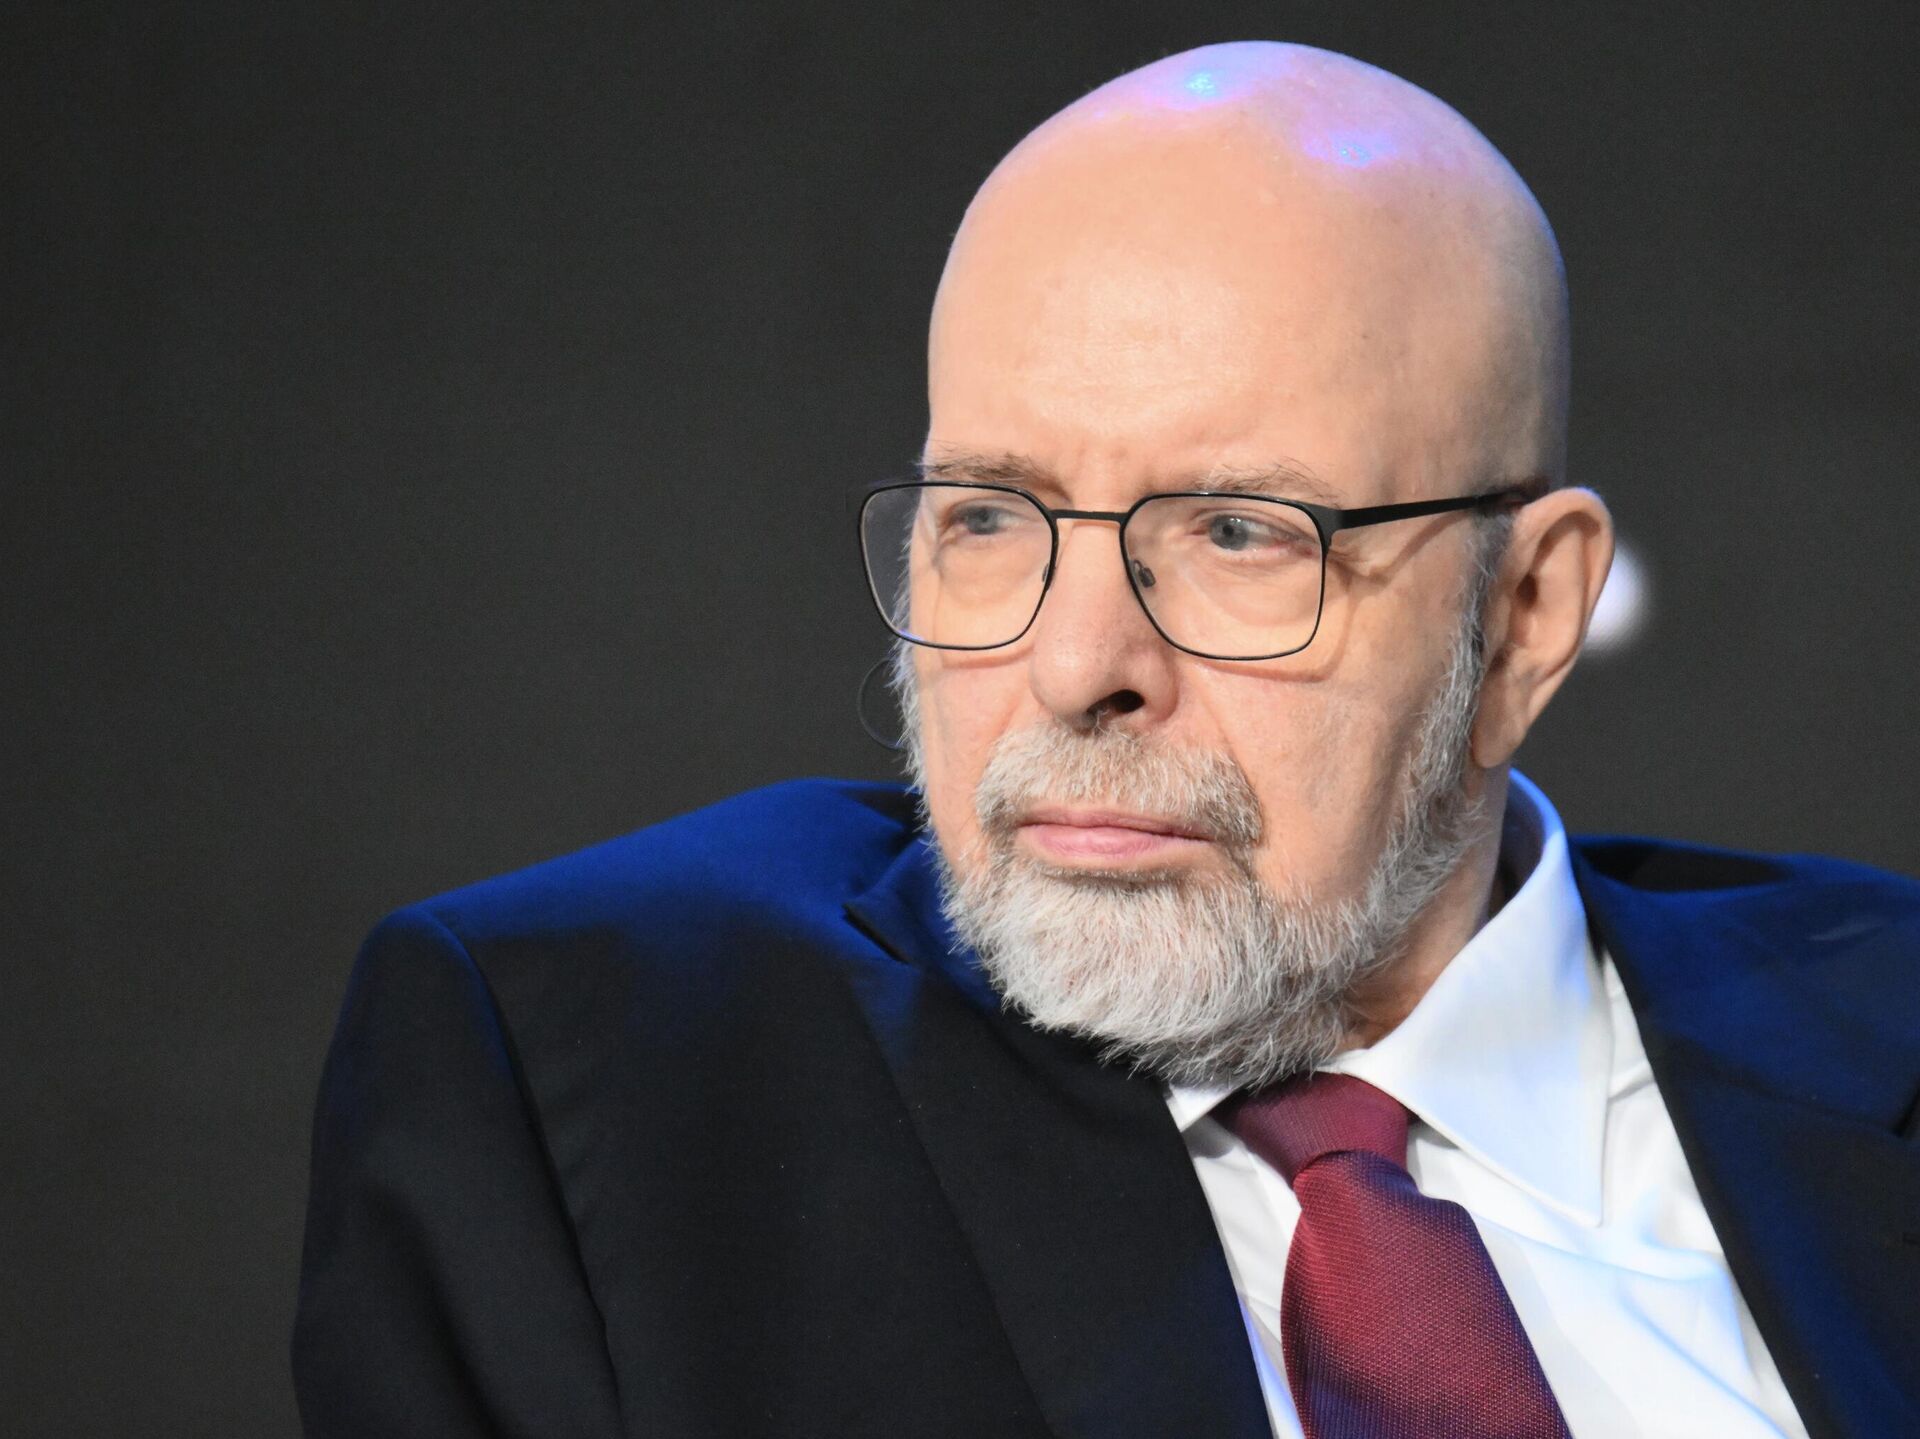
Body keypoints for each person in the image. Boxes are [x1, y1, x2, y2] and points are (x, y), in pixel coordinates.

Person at [292, 41, 1919, 1439]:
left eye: (1238, 533)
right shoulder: (607, 1091)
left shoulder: (1877, 1028)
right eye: (991, 517)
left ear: (1525, 616)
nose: (1078, 666)